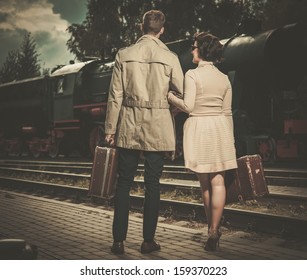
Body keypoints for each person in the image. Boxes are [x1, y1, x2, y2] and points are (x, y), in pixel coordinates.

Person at [105, 10, 184, 255]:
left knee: (124, 183)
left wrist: (110, 129)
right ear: (162, 29)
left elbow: (115, 96)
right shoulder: (170, 57)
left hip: (129, 125)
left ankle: (118, 241)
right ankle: (148, 241)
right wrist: (168, 108)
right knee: (153, 184)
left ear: (142, 28)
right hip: (158, 126)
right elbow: (181, 93)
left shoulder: (124, 55)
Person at [167, 32, 237, 251]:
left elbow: (187, 106)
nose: (192, 50)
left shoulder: (192, 75)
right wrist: (230, 140)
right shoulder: (224, 78)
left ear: (203, 50)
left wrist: (170, 96)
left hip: (199, 128)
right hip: (220, 128)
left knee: (205, 184)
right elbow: (228, 112)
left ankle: (211, 229)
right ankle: (214, 229)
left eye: (195, 47)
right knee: (219, 182)